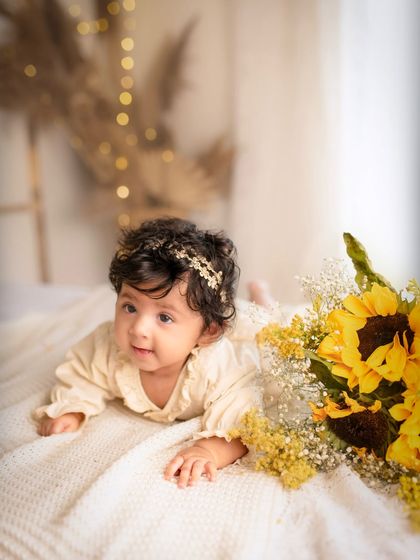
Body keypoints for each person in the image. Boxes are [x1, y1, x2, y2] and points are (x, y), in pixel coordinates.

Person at [34, 217, 267, 489]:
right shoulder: (108, 347)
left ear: (207, 333)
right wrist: (72, 409)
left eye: (165, 318)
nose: (138, 329)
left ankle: (261, 296)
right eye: (130, 307)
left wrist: (210, 450)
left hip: (247, 334)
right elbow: (83, 374)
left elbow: (242, 419)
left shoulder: (219, 368)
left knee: (263, 321)